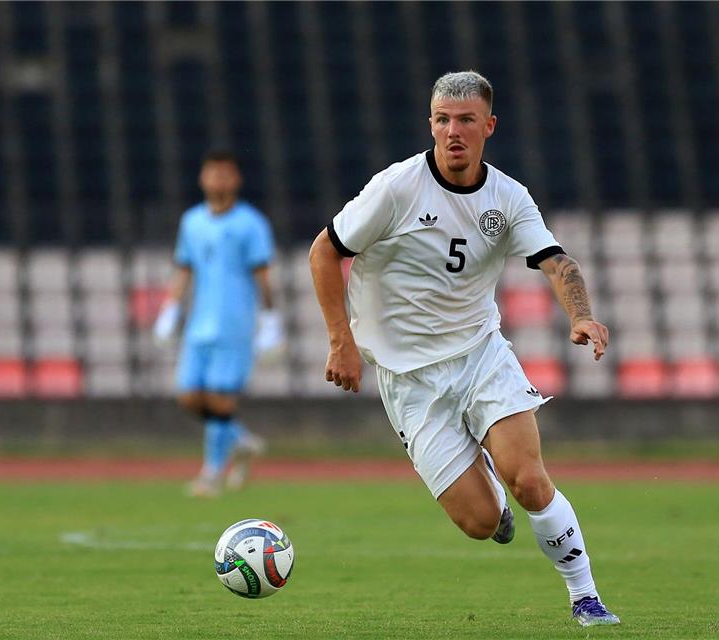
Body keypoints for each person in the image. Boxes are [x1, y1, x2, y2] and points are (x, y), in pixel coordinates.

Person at [308, 71, 620, 627]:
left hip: (480, 355)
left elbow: (557, 261)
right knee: (480, 523)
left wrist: (582, 316)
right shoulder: (397, 188)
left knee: (529, 476)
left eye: (466, 120)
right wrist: (341, 341)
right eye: (442, 120)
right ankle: (490, 493)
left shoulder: (508, 197)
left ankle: (585, 596)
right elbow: (323, 251)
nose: (453, 131)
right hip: (409, 380)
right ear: (431, 124)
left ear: (489, 127)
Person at [154, 149, 281, 497]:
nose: (219, 180)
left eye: (226, 174)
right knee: (190, 397)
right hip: (199, 323)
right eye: (213, 173)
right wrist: (169, 310)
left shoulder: (250, 223)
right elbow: (184, 268)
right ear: (203, 178)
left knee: (220, 399)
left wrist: (270, 320)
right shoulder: (192, 221)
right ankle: (241, 441)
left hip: (234, 323)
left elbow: (263, 274)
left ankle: (211, 473)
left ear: (236, 179)